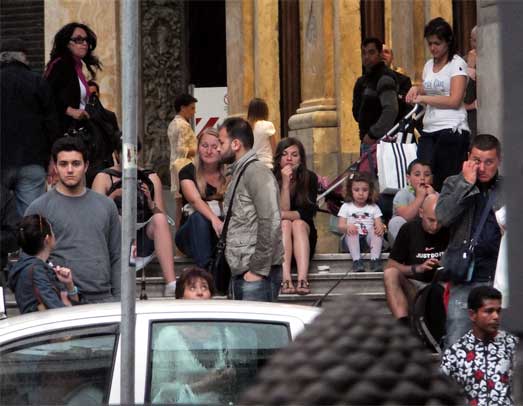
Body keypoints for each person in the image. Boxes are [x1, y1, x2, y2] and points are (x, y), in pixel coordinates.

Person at [25, 137, 121, 303]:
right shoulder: (38, 208)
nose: (70, 170)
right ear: (55, 166)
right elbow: (28, 262)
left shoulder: (106, 206)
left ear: (86, 166)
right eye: (63, 164)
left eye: (76, 163)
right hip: (60, 301)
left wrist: (120, 299)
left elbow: (117, 256)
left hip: (104, 299)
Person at [436, 134, 504, 348]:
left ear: (498, 161)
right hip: (466, 276)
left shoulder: (509, 188)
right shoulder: (453, 183)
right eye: (476, 160)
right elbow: (443, 217)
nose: (482, 167)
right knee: (458, 340)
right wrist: (467, 184)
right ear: (467, 158)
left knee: (503, 344)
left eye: (488, 162)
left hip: (500, 276)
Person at [92, 140, 177, 296]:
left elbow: (161, 214)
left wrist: (150, 202)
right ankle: (120, 281)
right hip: (117, 239)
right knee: (117, 219)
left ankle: (171, 283)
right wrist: (113, 196)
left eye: (134, 152)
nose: (130, 157)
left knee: (159, 219)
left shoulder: (150, 177)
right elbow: (96, 217)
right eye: (125, 153)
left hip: (144, 237)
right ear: (116, 154)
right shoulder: (103, 177)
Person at [217, 117, 283, 302]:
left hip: (255, 275)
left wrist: (258, 270)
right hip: (243, 270)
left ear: (236, 144)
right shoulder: (241, 172)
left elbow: (270, 220)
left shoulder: (256, 172)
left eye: (221, 143)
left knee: (256, 331)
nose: (218, 148)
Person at [151, 268, 236, 404]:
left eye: (204, 287)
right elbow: (159, 390)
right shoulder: (169, 336)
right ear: (180, 297)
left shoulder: (225, 334)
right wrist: (203, 386)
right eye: (192, 288)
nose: (200, 292)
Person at [406, 17, 470, 191]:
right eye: (430, 44)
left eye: (437, 43)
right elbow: (429, 88)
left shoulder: (457, 64)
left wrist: (424, 99)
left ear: (448, 42)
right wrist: (416, 90)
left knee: (445, 180)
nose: (433, 48)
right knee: (423, 177)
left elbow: (454, 100)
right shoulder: (428, 65)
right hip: (429, 129)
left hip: (451, 128)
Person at [1, 38, 60, 216]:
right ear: (24, 57)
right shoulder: (37, 81)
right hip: (32, 161)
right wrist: (53, 159)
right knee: (31, 220)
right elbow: (52, 124)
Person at [441, 286, 519, 406]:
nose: (496, 317)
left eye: (498, 311)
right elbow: (444, 396)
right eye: (489, 311)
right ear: (472, 315)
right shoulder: (456, 353)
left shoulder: (513, 346)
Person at [383, 194, 449, 324]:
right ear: (421, 213)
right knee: (390, 274)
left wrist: (445, 264)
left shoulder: (450, 229)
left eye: (439, 221)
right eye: (431, 220)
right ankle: (404, 325)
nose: (435, 226)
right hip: (415, 286)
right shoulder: (408, 230)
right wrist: (418, 268)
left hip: (443, 286)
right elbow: (390, 265)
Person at [175, 127, 226, 269]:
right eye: (204, 146)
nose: (209, 151)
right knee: (199, 218)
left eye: (214, 147)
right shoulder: (187, 171)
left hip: (220, 233)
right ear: (198, 148)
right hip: (191, 233)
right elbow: (195, 200)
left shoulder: (230, 173)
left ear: (221, 148)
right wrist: (214, 219)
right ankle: (207, 271)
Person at [8, 215, 80, 314]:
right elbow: (59, 313)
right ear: (47, 239)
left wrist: (69, 285)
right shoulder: (36, 271)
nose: (54, 235)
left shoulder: (41, 267)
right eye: (52, 231)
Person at [273, 138, 318, 295]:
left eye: (294, 154)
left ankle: (302, 279)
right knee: (285, 224)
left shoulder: (310, 178)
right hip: (279, 240)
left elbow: (307, 213)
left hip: (303, 236)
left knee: (297, 223)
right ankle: (286, 279)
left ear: (301, 158)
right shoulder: (270, 178)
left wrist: (280, 214)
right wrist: (285, 184)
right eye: (284, 154)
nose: (289, 159)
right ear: (278, 158)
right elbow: (279, 212)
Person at [44, 22, 102, 135]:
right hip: (62, 133)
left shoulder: (77, 66)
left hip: (77, 130)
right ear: (67, 43)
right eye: (78, 40)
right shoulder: (60, 64)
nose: (85, 43)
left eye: (86, 40)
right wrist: (69, 110)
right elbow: (46, 95)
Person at [352, 37, 399, 156]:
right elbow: (357, 112)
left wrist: (373, 134)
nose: (367, 57)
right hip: (367, 141)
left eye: (371, 52)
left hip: (381, 142)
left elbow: (391, 110)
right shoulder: (362, 81)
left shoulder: (385, 78)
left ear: (379, 54)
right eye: (364, 53)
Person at [337, 172, 385, 273]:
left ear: (370, 191)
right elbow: (340, 226)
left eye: (365, 190)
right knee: (353, 231)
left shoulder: (373, 207)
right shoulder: (346, 206)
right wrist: (348, 227)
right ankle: (357, 261)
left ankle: (375, 260)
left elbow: (379, 223)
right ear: (351, 191)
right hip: (350, 240)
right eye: (356, 190)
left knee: (374, 231)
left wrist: (380, 228)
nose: (361, 193)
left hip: (368, 241)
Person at [167, 93, 198, 227]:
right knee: (189, 203)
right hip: (185, 167)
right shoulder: (183, 125)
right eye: (191, 108)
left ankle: (179, 240)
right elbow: (182, 148)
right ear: (182, 108)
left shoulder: (173, 123)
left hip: (175, 166)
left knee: (179, 205)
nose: (194, 111)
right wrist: (198, 150)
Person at [388, 159, 435, 244]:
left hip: (427, 235)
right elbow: (406, 216)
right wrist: (420, 197)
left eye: (427, 175)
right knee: (396, 221)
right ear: (408, 178)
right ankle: (406, 253)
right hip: (406, 236)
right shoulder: (403, 194)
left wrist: (432, 197)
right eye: (417, 175)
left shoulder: (434, 194)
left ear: (431, 179)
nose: (422, 178)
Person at [83, 80, 120, 187]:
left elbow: (116, 140)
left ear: (98, 94)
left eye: (94, 94)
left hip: (105, 164)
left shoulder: (109, 116)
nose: (92, 98)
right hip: (87, 165)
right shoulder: (80, 117)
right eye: (89, 95)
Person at [382, 44, 413, 119]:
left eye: (386, 52)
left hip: (396, 126)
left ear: (392, 57)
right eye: (379, 52)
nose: (383, 55)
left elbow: (406, 107)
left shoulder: (404, 81)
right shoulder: (365, 81)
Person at [247, 97, 277, 169]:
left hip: (250, 165)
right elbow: (274, 149)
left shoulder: (246, 126)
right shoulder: (268, 125)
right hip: (266, 165)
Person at [464, 26, 478, 138]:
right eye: (473, 40)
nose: (475, 44)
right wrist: (469, 67)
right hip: (471, 121)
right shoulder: (461, 62)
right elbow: (466, 99)